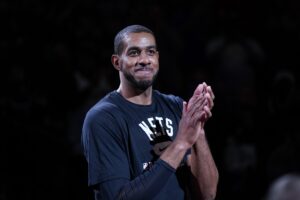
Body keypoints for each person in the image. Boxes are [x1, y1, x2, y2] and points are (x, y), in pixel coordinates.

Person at [81, 24, 219, 200]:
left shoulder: (176, 107)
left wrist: (198, 130)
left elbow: (207, 195)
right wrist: (181, 142)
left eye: (150, 52)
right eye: (134, 53)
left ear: (158, 58)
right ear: (117, 62)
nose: (145, 60)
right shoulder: (103, 118)